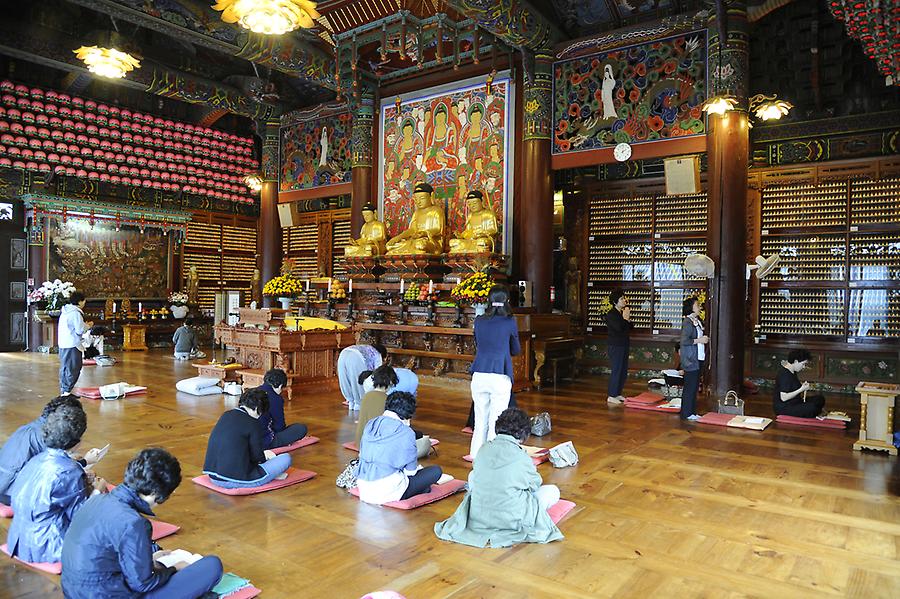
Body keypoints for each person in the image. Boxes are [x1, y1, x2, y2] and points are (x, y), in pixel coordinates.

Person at [61, 448, 224, 599]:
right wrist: (172, 569)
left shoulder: (96, 500)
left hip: (75, 592)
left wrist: (150, 559)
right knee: (212, 566)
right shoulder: (133, 523)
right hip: (110, 594)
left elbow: (104, 553)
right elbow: (142, 584)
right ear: (156, 494)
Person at [434, 408, 563, 548]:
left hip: (479, 518)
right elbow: (535, 484)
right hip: (513, 519)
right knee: (552, 491)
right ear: (524, 434)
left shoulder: (483, 449)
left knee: (473, 476)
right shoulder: (522, 456)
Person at [7, 403, 107, 563]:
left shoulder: (37, 459)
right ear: (77, 441)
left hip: (18, 538)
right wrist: (96, 491)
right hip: (49, 545)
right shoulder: (70, 470)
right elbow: (81, 518)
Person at [0, 395, 103, 506]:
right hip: (12, 493)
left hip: (6, 485)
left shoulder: (31, 428)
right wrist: (84, 462)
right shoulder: (48, 436)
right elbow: (56, 472)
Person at [356, 391, 443, 505]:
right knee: (436, 471)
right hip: (387, 491)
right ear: (408, 413)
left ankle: (421, 489)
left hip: (363, 486)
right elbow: (410, 472)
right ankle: (419, 490)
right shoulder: (406, 432)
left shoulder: (371, 424)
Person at [202, 388, 292, 489]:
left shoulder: (226, 415)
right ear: (258, 408)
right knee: (286, 458)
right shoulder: (253, 423)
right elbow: (257, 457)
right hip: (235, 480)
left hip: (213, 476)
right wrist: (265, 459)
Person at [469, 285, 520, 458]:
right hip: (500, 374)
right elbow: (516, 349)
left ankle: (476, 455)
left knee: (480, 419)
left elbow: (477, 343)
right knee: (496, 421)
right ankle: (492, 458)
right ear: (507, 300)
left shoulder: (479, 320)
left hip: (479, 374)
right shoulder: (510, 321)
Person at [257, 368, 308, 449]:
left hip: (245, 438)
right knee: (301, 428)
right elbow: (279, 426)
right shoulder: (276, 398)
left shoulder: (253, 391)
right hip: (263, 441)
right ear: (280, 385)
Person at [679, 297, 709, 421]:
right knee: (690, 386)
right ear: (691, 308)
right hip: (691, 359)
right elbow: (684, 341)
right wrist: (700, 340)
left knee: (695, 386)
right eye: (697, 305)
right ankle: (686, 412)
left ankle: (692, 411)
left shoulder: (696, 321)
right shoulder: (687, 322)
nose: (699, 307)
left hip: (698, 358)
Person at [773, 348, 827, 418]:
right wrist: (801, 389)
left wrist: (802, 387)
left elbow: (792, 387)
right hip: (784, 408)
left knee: (820, 399)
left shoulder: (792, 371)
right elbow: (784, 398)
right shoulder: (784, 374)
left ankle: (816, 411)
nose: (803, 367)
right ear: (795, 361)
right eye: (803, 364)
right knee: (812, 408)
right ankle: (816, 411)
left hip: (795, 402)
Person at [355, 365, 399, 447]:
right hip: (377, 443)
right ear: (390, 382)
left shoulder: (367, 396)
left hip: (361, 441)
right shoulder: (387, 399)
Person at [337, 343, 387, 412]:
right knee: (356, 381)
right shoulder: (377, 354)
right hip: (356, 356)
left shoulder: (365, 347)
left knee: (345, 379)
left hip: (343, 353)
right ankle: (359, 404)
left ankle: (350, 402)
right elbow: (377, 373)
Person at [58, 291, 90, 395]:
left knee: (66, 367)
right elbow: (80, 330)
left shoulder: (66, 311)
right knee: (74, 367)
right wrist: (88, 325)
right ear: (80, 301)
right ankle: (66, 392)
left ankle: (65, 391)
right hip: (72, 344)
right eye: (83, 300)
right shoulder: (75, 313)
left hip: (64, 343)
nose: (84, 303)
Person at [605, 289, 632, 404]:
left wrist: (626, 320)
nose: (624, 300)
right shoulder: (611, 314)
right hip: (616, 346)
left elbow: (630, 327)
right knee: (617, 370)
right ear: (615, 301)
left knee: (623, 370)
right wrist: (626, 319)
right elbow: (619, 328)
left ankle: (618, 393)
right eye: (621, 299)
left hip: (624, 344)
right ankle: (611, 395)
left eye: (624, 298)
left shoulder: (621, 313)